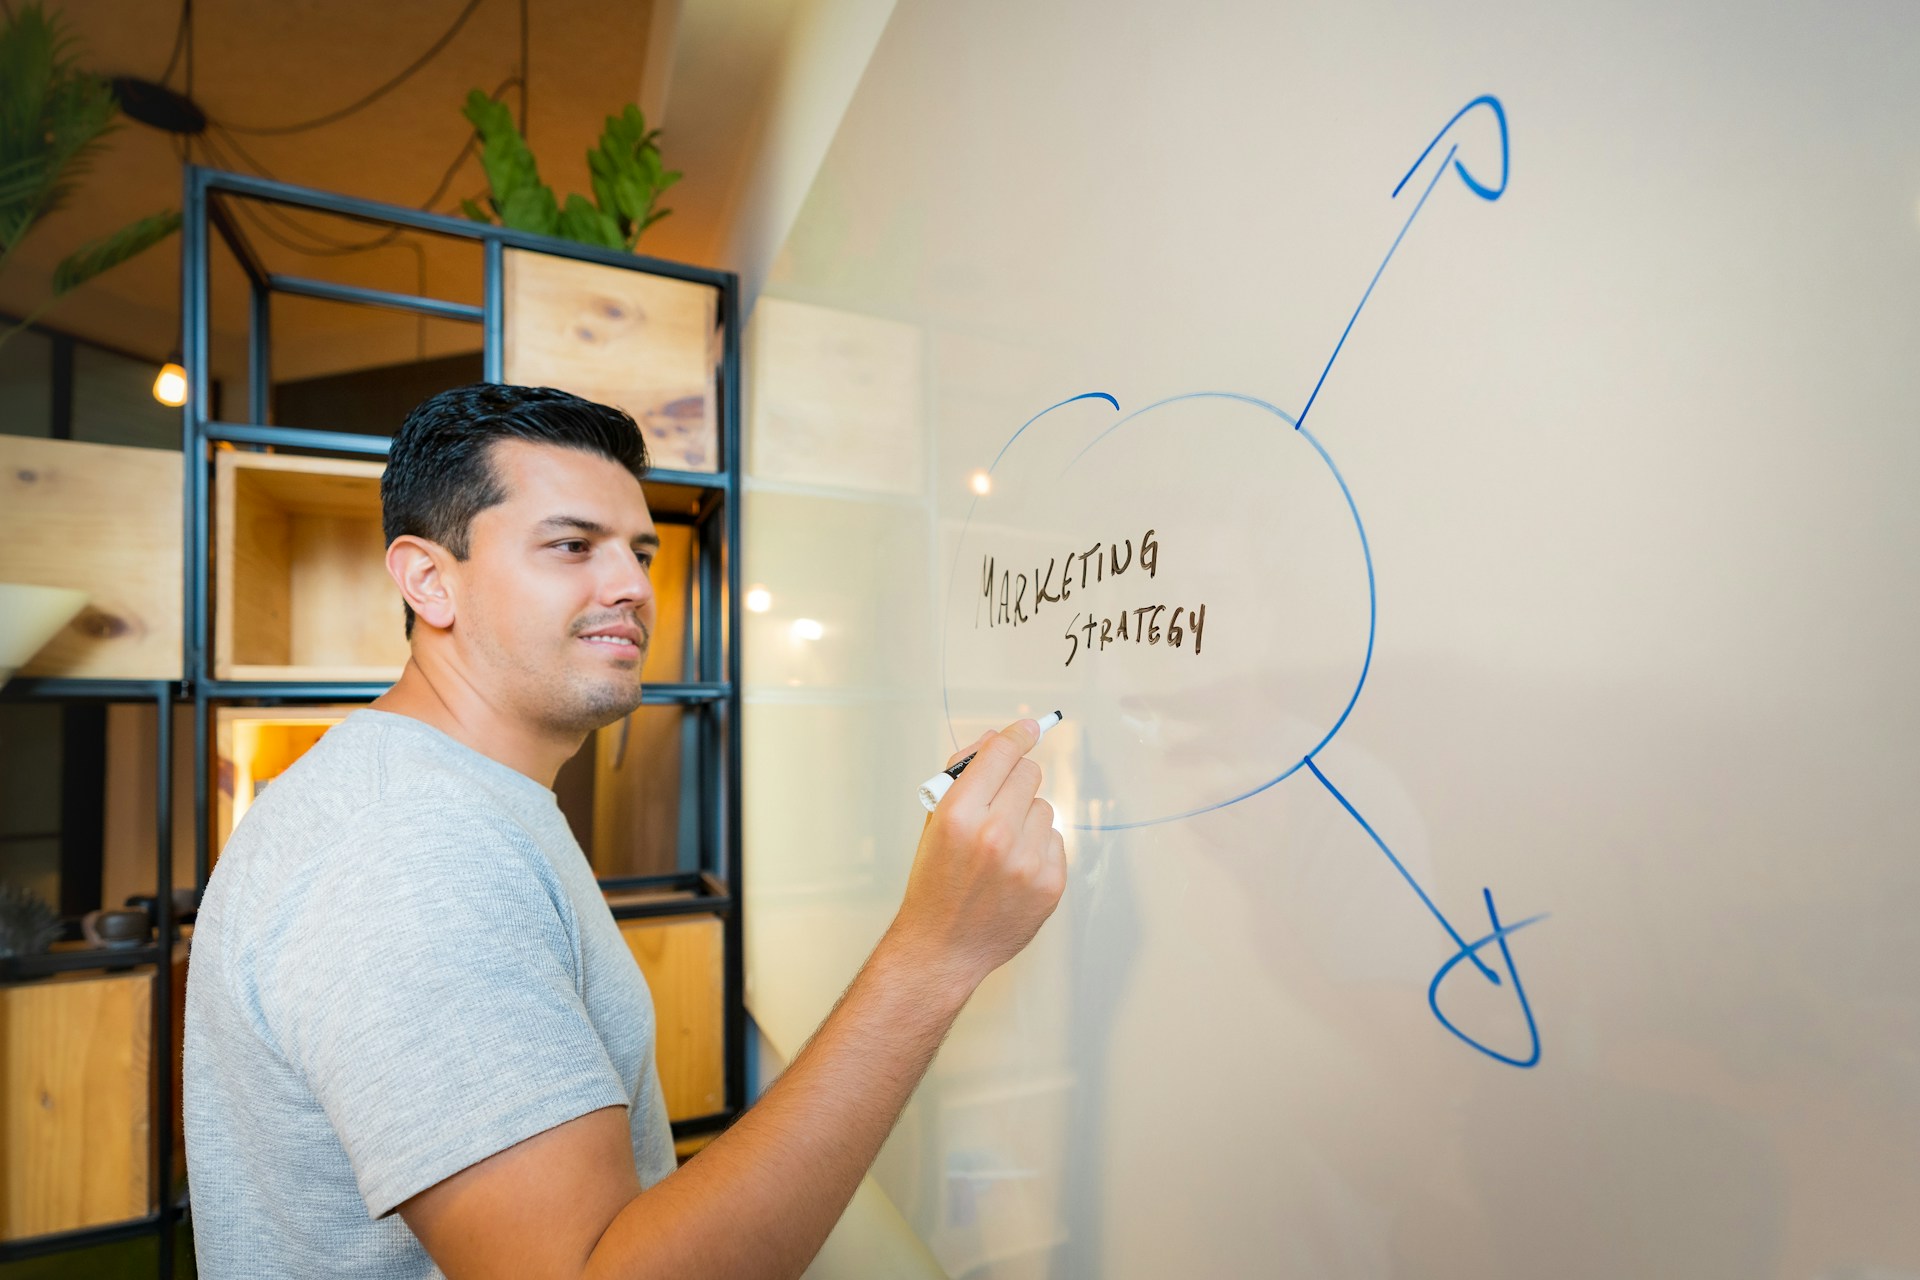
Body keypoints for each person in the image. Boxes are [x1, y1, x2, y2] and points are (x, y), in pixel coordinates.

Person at [183, 383, 1066, 1278]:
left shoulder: (452, 801)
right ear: (428, 580)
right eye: (573, 546)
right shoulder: (409, 851)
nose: (635, 586)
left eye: (640, 552)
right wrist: (934, 953)